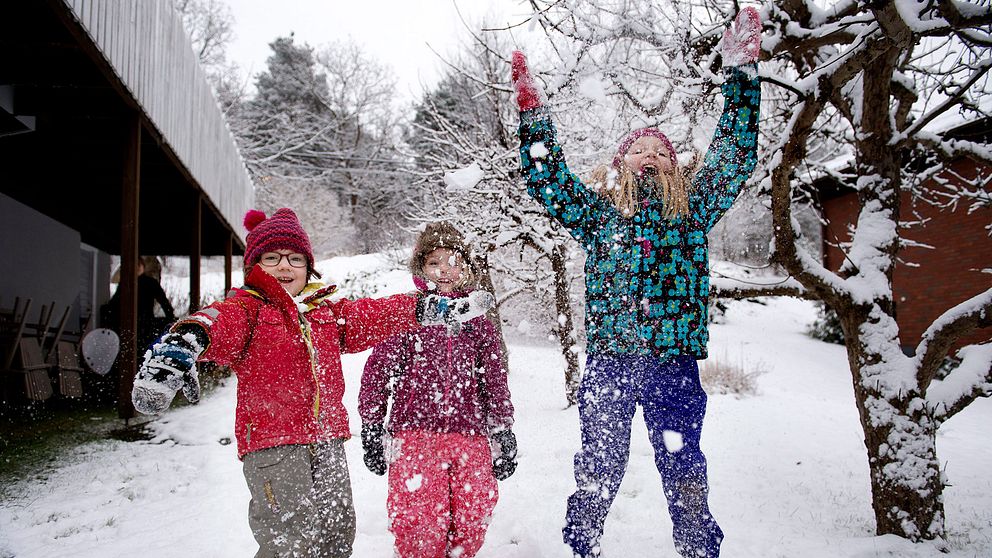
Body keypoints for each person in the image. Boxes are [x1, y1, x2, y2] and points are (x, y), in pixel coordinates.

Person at [510, 8, 763, 558]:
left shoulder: (693, 211)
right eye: (638, 150)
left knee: (682, 464)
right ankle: (583, 543)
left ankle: (699, 548)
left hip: (672, 364)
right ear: (619, 164)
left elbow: (736, 152)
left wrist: (742, 74)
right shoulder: (600, 217)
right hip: (612, 362)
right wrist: (533, 117)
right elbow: (547, 177)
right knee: (598, 462)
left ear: (675, 168)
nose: (649, 156)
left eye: (660, 151)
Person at [129, 208, 494, 558]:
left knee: (336, 535)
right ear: (254, 266)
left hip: (328, 440)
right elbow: (214, 321)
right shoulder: (248, 309)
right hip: (275, 445)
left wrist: (421, 309)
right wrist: (185, 341)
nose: (285, 265)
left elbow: (368, 314)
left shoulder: (324, 313)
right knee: (290, 541)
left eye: (295, 258)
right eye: (272, 258)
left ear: (308, 267)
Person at [358, 222, 516, 558]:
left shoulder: (477, 321)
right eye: (434, 262)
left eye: (454, 261)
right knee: (420, 519)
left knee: (474, 513)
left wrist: (502, 429)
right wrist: (372, 425)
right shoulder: (406, 315)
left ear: (466, 268)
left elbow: (494, 378)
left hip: (470, 434)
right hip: (415, 435)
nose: (444, 269)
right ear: (420, 268)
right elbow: (376, 372)